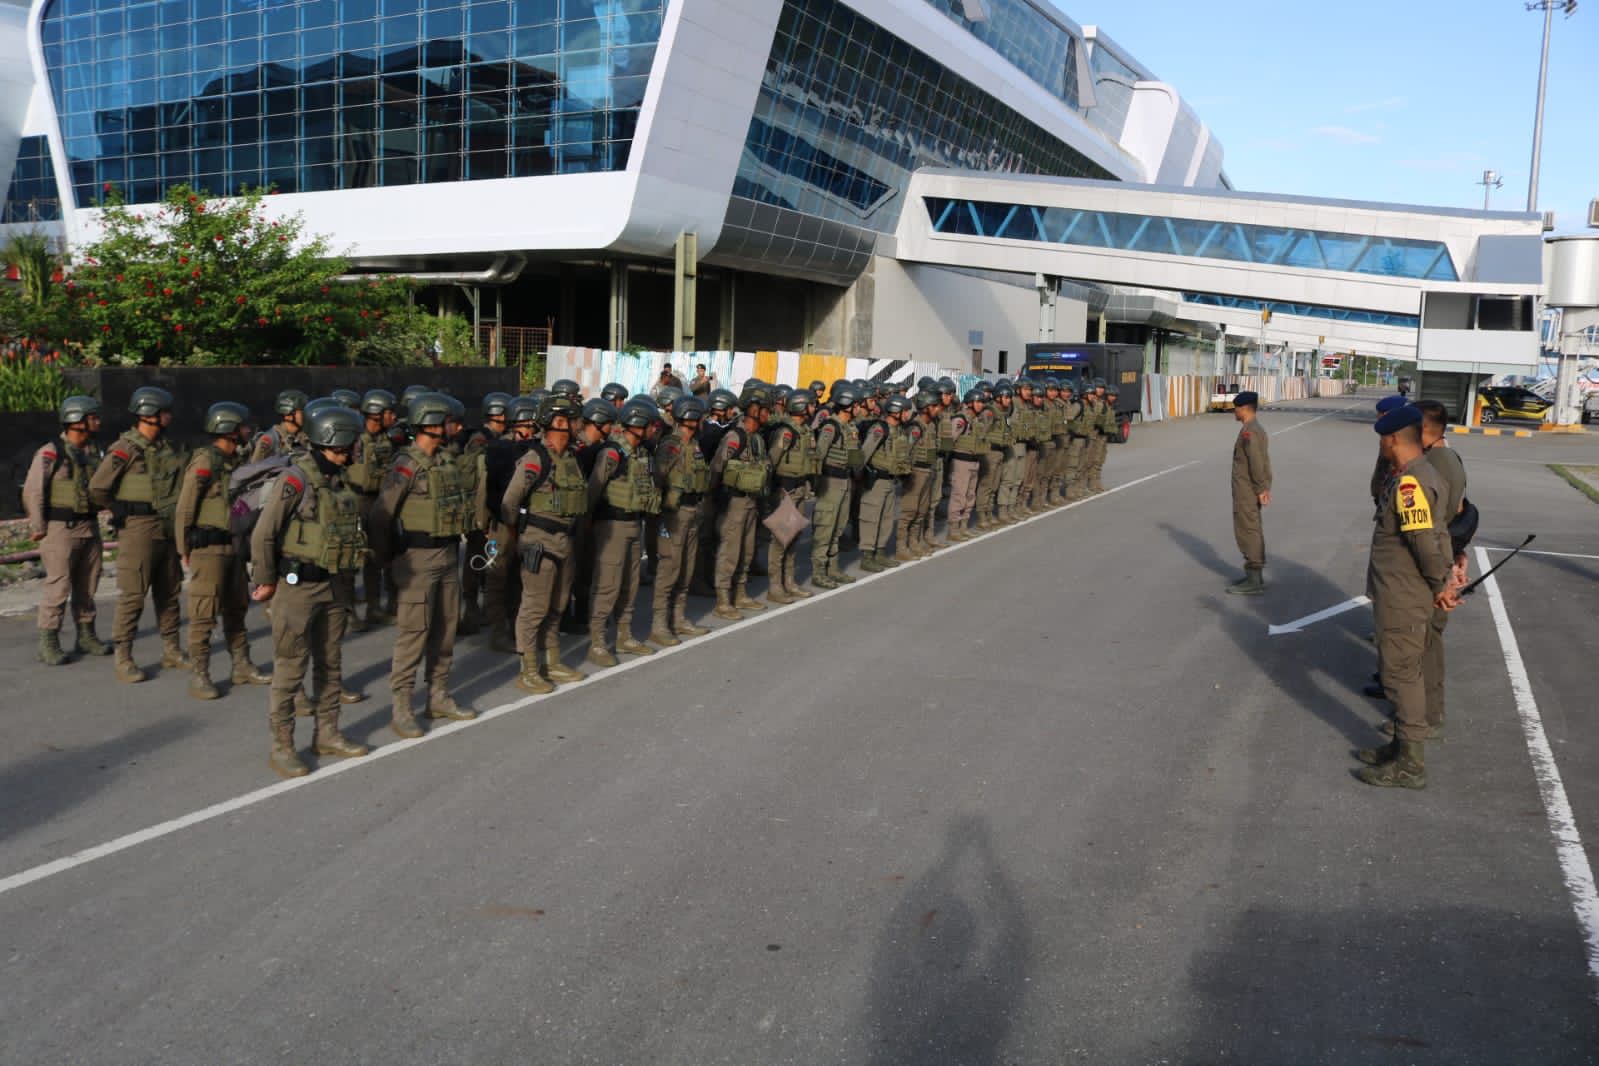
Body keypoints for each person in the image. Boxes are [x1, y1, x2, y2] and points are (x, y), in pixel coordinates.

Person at [250, 404, 371, 778]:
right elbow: (263, 533)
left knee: (330, 664)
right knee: (290, 669)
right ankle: (282, 747)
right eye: (351, 442)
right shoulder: (295, 480)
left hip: (333, 585)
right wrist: (266, 581)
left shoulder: (340, 480)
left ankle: (328, 733)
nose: (355, 449)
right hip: (296, 587)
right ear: (334, 439)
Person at [1355, 405, 1456, 789]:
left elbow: (1425, 544)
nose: (1381, 443)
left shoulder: (1411, 484)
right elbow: (1439, 535)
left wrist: (1441, 584)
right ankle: (1399, 748)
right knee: (1403, 672)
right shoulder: (1421, 474)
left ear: (1393, 439)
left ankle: (1411, 765)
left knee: (1400, 676)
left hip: (1404, 595)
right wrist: (1444, 579)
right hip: (1404, 592)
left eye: (1382, 437)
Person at [369, 392, 477, 739]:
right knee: (413, 636)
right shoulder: (406, 465)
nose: (450, 427)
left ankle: (438, 695)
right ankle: (402, 706)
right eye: (444, 421)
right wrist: (390, 558)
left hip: (447, 555)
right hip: (416, 559)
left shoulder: (447, 462)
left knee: (445, 630)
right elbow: (380, 516)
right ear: (429, 423)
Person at [89, 386, 186, 683]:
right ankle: (124, 655)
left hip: (166, 528)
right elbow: (97, 488)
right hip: (139, 530)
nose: (169, 416)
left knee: (169, 592)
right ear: (150, 414)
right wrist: (119, 508)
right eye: (164, 411)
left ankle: (171, 649)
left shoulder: (167, 448)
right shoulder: (126, 449)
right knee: (133, 594)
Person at [175, 401, 270, 699]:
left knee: (237, 607)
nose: (246, 432)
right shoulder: (205, 462)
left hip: (234, 547)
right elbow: (185, 508)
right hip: (209, 548)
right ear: (228, 429)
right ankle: (199, 674)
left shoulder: (234, 462)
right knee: (204, 612)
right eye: (242, 427)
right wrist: (183, 547)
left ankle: (241, 664)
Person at [501, 393, 589, 694]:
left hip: (565, 541)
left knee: (557, 606)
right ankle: (527, 669)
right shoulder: (534, 459)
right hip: (539, 541)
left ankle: (552, 661)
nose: (579, 425)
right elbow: (509, 503)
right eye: (574, 420)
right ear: (559, 422)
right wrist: (519, 538)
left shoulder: (570, 459)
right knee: (534, 607)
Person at [24, 394, 109, 664]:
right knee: (59, 586)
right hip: (60, 529)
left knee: (88, 585)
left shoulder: (96, 452)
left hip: (89, 527)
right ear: (77, 420)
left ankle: (86, 636)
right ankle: (49, 641)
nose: (98, 422)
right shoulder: (51, 452)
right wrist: (38, 526)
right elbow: (33, 490)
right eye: (93, 417)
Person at [583, 399, 662, 666]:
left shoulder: (643, 454)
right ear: (638, 425)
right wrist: (588, 524)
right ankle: (596, 642)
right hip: (612, 525)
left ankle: (624, 634)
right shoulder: (613, 454)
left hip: (634, 524)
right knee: (608, 584)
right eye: (651, 425)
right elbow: (593, 489)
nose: (654, 429)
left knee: (631, 582)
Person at [649, 396, 713, 643]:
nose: (701, 421)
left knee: (686, 569)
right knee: (670, 569)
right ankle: (659, 624)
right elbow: (658, 480)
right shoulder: (670, 446)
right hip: (674, 515)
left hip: (693, 512)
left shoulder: (693, 445)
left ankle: (678, 618)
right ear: (690, 417)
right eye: (699, 417)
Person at [709, 384, 773, 617]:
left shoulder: (758, 440)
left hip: (752, 502)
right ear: (753, 409)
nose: (768, 413)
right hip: (734, 502)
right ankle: (723, 600)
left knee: (746, 551)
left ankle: (741, 592)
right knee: (730, 551)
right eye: (765, 409)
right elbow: (717, 468)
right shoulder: (735, 437)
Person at [763, 388, 819, 604]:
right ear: (800, 406)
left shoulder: (805, 430)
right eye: (811, 404)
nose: (814, 408)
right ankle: (775, 586)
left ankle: (789, 581)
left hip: (800, 489)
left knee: (794, 537)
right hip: (786, 491)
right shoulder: (786, 432)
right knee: (780, 539)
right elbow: (772, 461)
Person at [348, 389, 398, 627]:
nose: (394, 417)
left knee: (377, 556)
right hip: (357, 501)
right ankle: (347, 611)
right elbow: (363, 477)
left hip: (379, 501)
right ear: (377, 413)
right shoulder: (358, 440)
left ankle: (374, 606)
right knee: (351, 557)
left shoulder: (384, 439)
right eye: (390, 412)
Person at [810, 383, 863, 589]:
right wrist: (816, 483)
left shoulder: (850, 427)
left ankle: (832, 567)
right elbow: (819, 455)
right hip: (831, 482)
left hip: (845, 481)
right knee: (826, 527)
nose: (859, 408)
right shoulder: (831, 427)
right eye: (856, 404)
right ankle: (818, 571)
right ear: (847, 405)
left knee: (838, 527)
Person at [857, 394, 911, 571]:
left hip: (890, 480)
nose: (907, 414)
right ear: (895, 411)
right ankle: (867, 556)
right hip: (876, 481)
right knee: (871, 518)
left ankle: (879, 553)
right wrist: (860, 477)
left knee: (887, 519)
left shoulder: (899, 430)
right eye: (905, 411)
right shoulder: (880, 429)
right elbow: (864, 454)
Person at [1226, 391, 1271, 596]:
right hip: (1248, 488)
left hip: (1247, 490)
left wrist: (1261, 488)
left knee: (1248, 530)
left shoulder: (1250, 432)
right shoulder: (1253, 429)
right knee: (1251, 528)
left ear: (1244, 409)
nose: (1234, 411)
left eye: (1236, 408)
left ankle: (1254, 579)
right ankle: (1255, 575)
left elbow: (1257, 463)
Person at [897, 389, 941, 558]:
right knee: (909, 510)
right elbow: (906, 450)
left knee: (921, 510)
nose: (937, 409)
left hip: (928, 471)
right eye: (934, 406)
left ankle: (914, 541)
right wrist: (905, 473)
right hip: (916, 473)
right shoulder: (915, 428)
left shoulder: (930, 425)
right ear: (926, 407)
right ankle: (901, 546)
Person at [945, 389, 986, 541]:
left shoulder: (976, 420)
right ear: (970, 403)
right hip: (961, 462)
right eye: (978, 402)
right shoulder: (961, 420)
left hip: (974, 461)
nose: (981, 405)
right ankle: (953, 528)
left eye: (982, 402)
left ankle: (964, 525)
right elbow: (949, 440)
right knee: (959, 495)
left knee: (970, 495)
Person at [251, 389, 309, 462]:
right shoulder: (270, 439)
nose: (306, 415)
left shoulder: (301, 437)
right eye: (303, 411)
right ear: (289, 414)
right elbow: (255, 468)